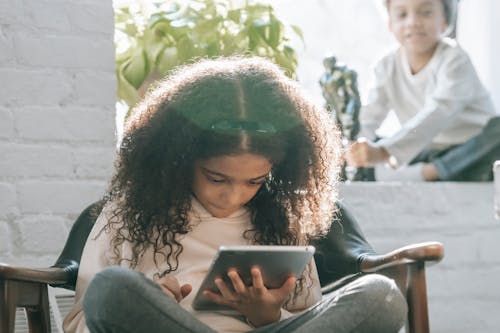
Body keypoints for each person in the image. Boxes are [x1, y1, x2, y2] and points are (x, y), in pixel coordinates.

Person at [63, 56, 407, 333]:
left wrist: (269, 317)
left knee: (382, 296)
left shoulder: (284, 219)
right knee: (112, 288)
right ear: (180, 158)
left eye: (254, 181)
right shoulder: (128, 215)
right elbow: (83, 319)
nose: (233, 197)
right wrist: (155, 304)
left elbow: (313, 318)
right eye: (216, 178)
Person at [346, 0, 500, 181]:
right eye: (402, 15)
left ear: (444, 21)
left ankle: (428, 173)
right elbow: (369, 115)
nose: (413, 22)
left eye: (426, 12)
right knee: (374, 142)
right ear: (390, 24)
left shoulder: (455, 59)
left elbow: (439, 112)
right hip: (423, 150)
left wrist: (386, 151)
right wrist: (358, 148)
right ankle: (427, 170)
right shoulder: (386, 66)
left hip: (469, 148)